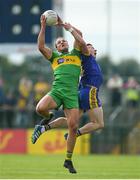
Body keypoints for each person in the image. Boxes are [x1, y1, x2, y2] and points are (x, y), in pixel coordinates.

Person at [31, 14, 89, 173]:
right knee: (39, 108)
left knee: (73, 126)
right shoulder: (54, 57)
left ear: (68, 44)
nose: (62, 42)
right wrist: (43, 27)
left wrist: (65, 25)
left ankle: (68, 160)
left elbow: (81, 35)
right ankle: (48, 117)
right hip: (57, 91)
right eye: (59, 42)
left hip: (71, 94)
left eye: (64, 41)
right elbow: (41, 47)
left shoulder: (75, 54)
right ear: (56, 47)